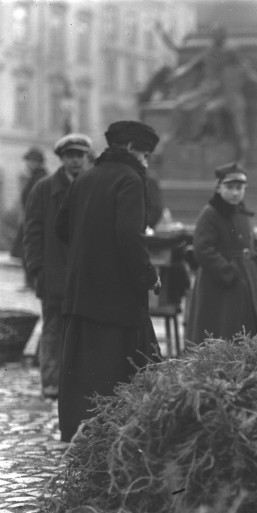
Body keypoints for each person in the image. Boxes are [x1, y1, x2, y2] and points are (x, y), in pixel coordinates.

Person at [55, 121, 163, 443]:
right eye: (144, 154)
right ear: (130, 149)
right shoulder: (130, 179)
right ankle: (117, 433)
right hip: (116, 298)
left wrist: (88, 250)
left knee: (85, 366)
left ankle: (80, 430)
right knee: (118, 366)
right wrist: (148, 275)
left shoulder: (86, 177)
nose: (145, 162)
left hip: (82, 292)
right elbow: (130, 236)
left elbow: (63, 227)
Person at [22, 133, 93, 400]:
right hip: (53, 273)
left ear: (87, 158)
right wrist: (37, 269)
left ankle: (77, 383)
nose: (75, 161)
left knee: (81, 330)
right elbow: (32, 233)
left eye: (80, 155)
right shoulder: (43, 189)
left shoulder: (91, 187)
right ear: (61, 158)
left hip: (84, 275)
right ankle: (51, 382)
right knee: (52, 329)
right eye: (70, 155)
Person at [185, 162, 257, 345]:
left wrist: (255, 242)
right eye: (229, 187)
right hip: (221, 285)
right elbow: (203, 249)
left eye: (239, 188)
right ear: (218, 188)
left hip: (246, 279)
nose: (235, 193)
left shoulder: (241, 212)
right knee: (224, 330)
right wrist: (229, 273)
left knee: (247, 329)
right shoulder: (210, 213)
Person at [11, 147, 48, 290]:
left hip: (36, 220)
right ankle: (30, 282)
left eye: (32, 161)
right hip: (30, 219)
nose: (28, 164)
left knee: (32, 252)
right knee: (27, 251)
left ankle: (33, 283)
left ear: (38, 162)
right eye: (28, 161)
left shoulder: (41, 178)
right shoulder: (34, 177)